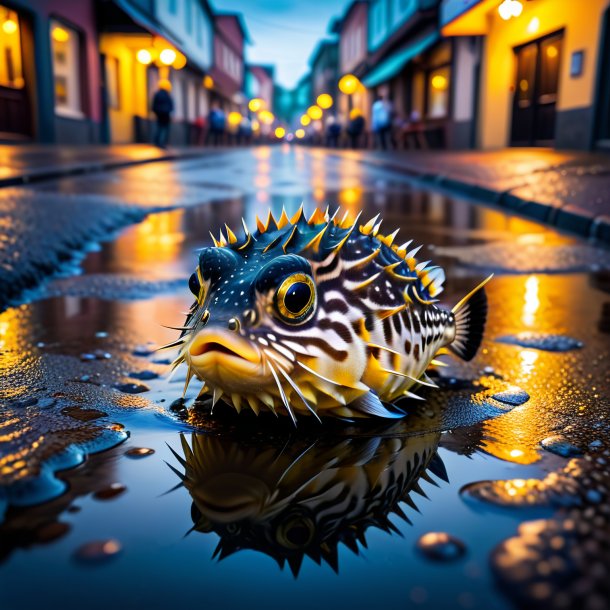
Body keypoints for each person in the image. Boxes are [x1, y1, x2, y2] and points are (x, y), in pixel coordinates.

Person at [152, 80, 174, 148]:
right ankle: (161, 143)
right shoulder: (167, 95)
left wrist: (156, 112)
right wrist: (169, 111)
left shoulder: (157, 94)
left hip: (159, 114)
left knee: (159, 127)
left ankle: (157, 142)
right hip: (166, 114)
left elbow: (154, 105)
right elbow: (171, 105)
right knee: (164, 128)